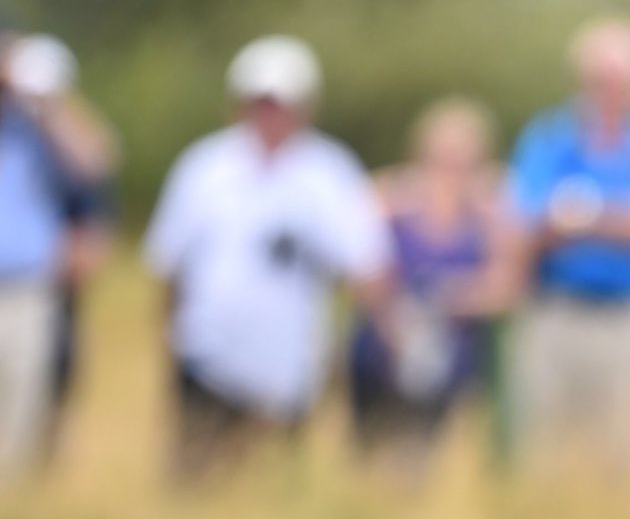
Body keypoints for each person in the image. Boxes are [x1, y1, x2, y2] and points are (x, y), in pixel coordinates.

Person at [142, 36, 389, 484]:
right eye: (261, 102)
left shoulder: (329, 172)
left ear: (306, 107)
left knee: (274, 483)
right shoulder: (204, 167)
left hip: (291, 363)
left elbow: (366, 267)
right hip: (207, 355)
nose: (271, 115)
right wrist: (170, 340)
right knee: (198, 477)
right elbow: (169, 263)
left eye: (282, 104)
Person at [505, 14, 630, 479]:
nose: (609, 90)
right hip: (555, 310)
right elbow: (523, 225)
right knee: (542, 449)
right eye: (599, 79)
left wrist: (577, 216)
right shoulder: (549, 135)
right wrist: (610, 218)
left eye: (620, 80)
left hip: (629, 316)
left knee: (622, 453)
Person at [348, 97, 516, 475]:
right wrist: (394, 310)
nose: (450, 169)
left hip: (452, 359)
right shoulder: (389, 199)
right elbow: (360, 268)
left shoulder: (489, 210)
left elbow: (507, 284)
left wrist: (458, 297)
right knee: (370, 450)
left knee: (425, 457)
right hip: (382, 351)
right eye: (442, 156)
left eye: (461, 159)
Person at [0, 27, 116, 480]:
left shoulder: (43, 136)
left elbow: (96, 162)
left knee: (22, 406)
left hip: (28, 288)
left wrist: (44, 102)